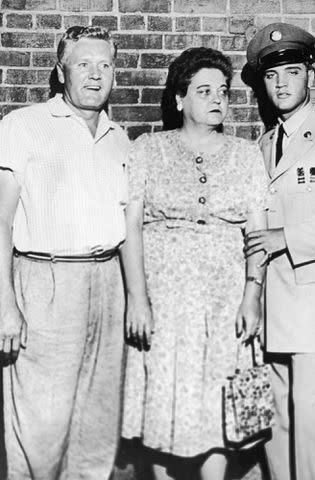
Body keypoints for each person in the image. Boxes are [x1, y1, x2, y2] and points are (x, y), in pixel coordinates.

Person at [120, 47, 269, 480]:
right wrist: (137, 299)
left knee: (219, 406)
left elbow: (257, 233)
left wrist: (253, 295)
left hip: (225, 302)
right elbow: (131, 228)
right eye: (204, 90)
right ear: (180, 98)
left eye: (222, 91)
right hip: (166, 301)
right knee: (166, 400)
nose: (217, 99)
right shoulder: (148, 149)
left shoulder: (245, 155)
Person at [0, 26, 130, 480]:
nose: (96, 76)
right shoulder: (22, 126)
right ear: (60, 71)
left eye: (105, 66)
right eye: (83, 65)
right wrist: (5, 304)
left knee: (97, 425)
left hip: (108, 282)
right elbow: (0, 220)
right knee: (41, 427)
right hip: (45, 281)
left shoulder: (118, 137)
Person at [243, 22, 315, 480]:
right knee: (277, 420)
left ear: (309, 75)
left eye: (291, 72)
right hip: (272, 300)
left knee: (311, 421)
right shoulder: (262, 145)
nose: (282, 84)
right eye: (272, 77)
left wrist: (285, 238)